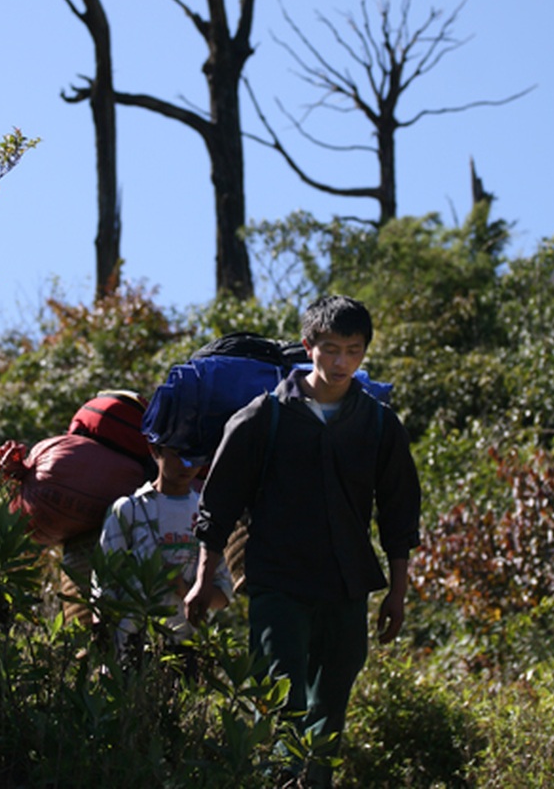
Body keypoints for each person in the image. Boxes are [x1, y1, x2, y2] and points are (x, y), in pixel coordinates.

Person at [185, 294, 421, 786]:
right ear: (308, 346)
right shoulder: (261, 418)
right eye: (330, 349)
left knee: (331, 705)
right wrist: (204, 579)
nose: (341, 363)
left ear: (364, 353)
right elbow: (218, 506)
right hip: (278, 582)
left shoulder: (379, 424)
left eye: (353, 351)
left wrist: (397, 592)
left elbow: (399, 513)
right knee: (278, 699)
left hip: (347, 585)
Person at [95, 443, 232, 668]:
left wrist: (184, 589)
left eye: (195, 457)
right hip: (132, 642)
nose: (187, 465)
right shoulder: (130, 510)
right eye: (178, 455)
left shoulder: (205, 515)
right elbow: (103, 580)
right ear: (155, 451)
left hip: (185, 647)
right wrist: (101, 634)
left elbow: (222, 597)